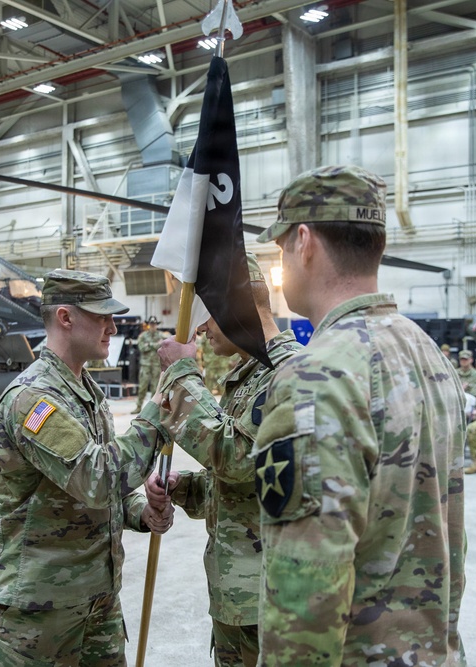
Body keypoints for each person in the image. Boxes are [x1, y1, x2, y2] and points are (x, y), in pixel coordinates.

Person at [251, 165, 467, 666]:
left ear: (303, 242)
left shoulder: (316, 375)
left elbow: (306, 596)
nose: (282, 261)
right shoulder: (425, 351)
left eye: (281, 248)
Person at [0, 269, 173, 666]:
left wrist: (142, 512)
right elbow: (97, 479)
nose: (113, 327)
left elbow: (93, 494)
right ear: (65, 317)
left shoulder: (86, 392)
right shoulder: (35, 400)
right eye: (102, 317)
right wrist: (161, 402)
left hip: (95, 596)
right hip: (36, 609)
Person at [144, 253, 303, 667]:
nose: (198, 327)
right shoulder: (249, 374)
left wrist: (181, 375)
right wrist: (185, 487)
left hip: (270, 599)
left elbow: (237, 458)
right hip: (238, 592)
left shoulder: (288, 372)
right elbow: (249, 482)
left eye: (208, 312)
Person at [133, 316, 167, 412]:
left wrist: (149, 344)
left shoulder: (162, 335)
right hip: (145, 364)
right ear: (148, 325)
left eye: (154, 324)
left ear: (156, 325)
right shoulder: (143, 336)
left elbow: (164, 346)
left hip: (156, 364)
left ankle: (154, 409)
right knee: (142, 386)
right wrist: (156, 344)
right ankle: (138, 406)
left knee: (155, 387)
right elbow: (142, 348)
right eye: (151, 324)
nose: (153, 326)